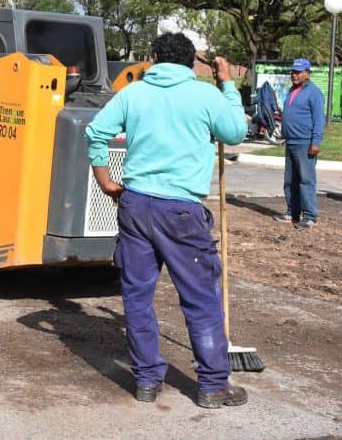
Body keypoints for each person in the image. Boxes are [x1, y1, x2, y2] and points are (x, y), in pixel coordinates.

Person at [86, 32, 248, 408]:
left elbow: (95, 134)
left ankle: (146, 380)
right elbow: (235, 133)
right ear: (191, 63)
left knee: (137, 297)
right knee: (201, 299)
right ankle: (213, 386)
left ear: (154, 58)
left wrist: (106, 181)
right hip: (181, 211)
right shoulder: (206, 95)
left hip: (135, 205)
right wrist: (227, 84)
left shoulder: (133, 94)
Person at [275, 58, 325, 229]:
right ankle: (292, 212)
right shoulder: (292, 90)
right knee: (290, 180)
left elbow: (319, 120)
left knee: (306, 180)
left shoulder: (314, 93)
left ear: (307, 74)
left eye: (298, 72)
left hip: (305, 143)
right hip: (291, 142)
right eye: (293, 72)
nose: (294, 75)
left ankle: (310, 216)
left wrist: (315, 142)